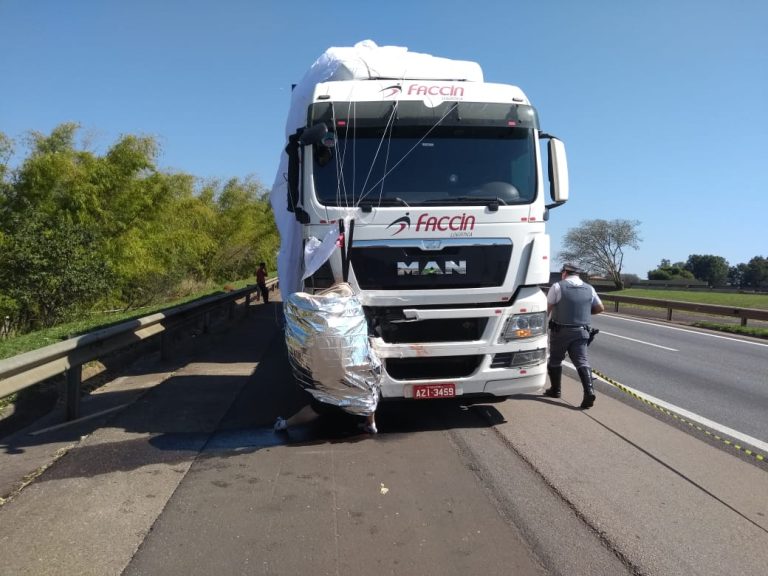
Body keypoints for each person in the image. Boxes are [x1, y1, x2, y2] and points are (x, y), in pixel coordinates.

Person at [544, 263, 604, 408]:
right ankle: (589, 391)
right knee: (582, 361)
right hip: (582, 331)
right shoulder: (589, 288)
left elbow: (547, 310)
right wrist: (581, 312)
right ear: (578, 274)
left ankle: (555, 390)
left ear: (564, 273)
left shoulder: (557, 286)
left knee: (555, 360)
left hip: (560, 331)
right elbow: (600, 308)